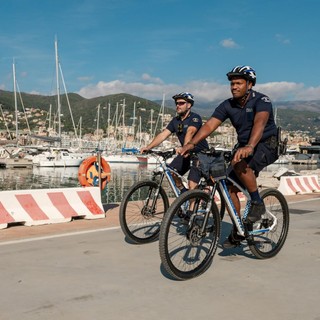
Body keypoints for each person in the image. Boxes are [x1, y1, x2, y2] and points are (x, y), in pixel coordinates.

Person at [178, 65, 279, 248]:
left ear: (249, 84)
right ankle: (239, 228)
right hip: (243, 146)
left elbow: (260, 123)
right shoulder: (227, 105)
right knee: (228, 187)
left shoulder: (262, 100)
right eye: (232, 83)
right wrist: (191, 144)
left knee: (240, 165)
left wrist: (249, 146)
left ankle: (257, 203)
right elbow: (209, 126)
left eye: (238, 83)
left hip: (266, 144)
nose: (234, 87)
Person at [140, 92, 209, 191]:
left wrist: (184, 147)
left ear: (189, 105)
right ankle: (183, 194)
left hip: (199, 154)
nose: (178, 105)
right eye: (177, 103)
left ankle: (194, 200)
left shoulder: (195, 118)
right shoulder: (175, 121)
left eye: (181, 103)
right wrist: (148, 147)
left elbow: (190, 132)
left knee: (192, 185)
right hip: (185, 153)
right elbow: (163, 134)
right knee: (171, 172)